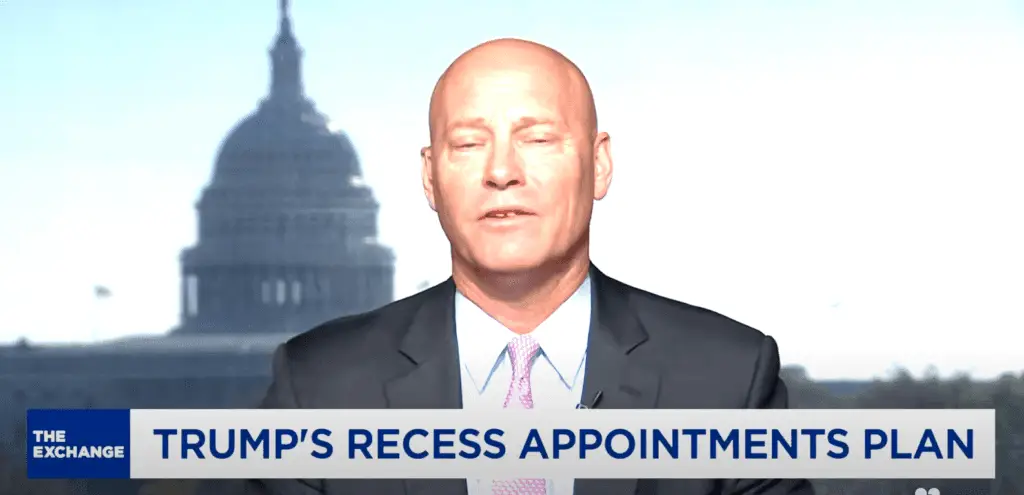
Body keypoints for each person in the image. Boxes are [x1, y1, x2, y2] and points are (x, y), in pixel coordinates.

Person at [246, 38, 814, 495]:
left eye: (538, 138)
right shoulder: (317, 388)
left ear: (599, 165)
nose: (501, 172)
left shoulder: (728, 379)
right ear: (429, 178)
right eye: (468, 144)